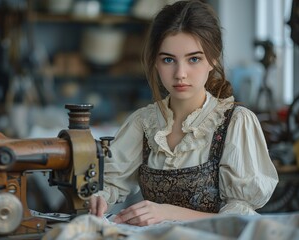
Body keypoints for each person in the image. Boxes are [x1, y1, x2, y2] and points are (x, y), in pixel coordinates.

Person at [89, 0, 278, 226]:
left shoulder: (235, 123)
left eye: (194, 59)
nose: (180, 74)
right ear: (155, 63)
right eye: (168, 60)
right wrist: (99, 198)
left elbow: (239, 219)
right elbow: (110, 184)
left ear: (213, 58)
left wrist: (167, 212)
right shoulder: (143, 123)